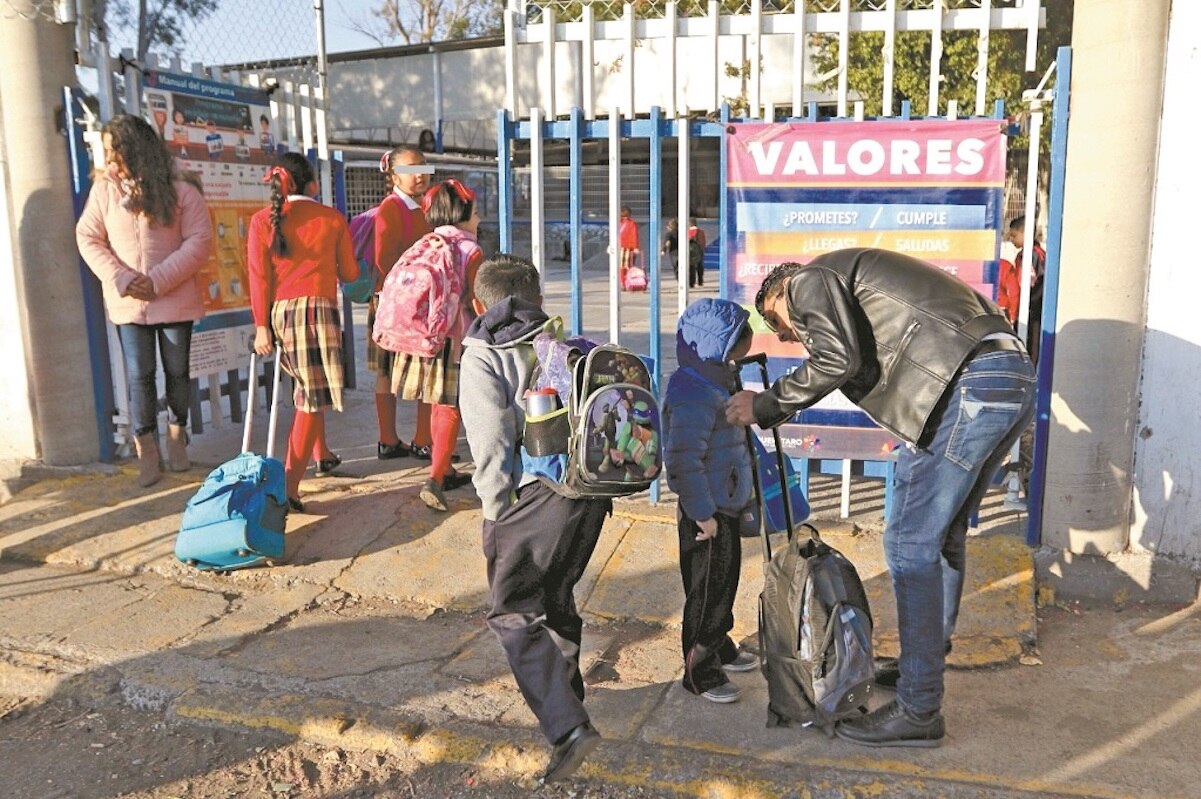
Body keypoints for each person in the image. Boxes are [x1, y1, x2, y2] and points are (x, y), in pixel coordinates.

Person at [725, 248, 1036, 748]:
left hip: (966, 382)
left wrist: (763, 403)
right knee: (941, 535)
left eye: (781, 326)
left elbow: (837, 358)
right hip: (1005, 375)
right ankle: (924, 660)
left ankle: (919, 708)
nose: (789, 338)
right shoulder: (845, 280)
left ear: (779, 295)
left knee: (909, 546)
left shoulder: (809, 280)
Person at [459, 255, 611, 784]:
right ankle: (571, 701)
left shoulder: (482, 354)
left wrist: (497, 510)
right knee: (557, 599)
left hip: (531, 500)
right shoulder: (562, 341)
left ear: (481, 303)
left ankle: (568, 727)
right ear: (537, 297)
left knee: (513, 613)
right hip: (588, 494)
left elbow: (491, 441)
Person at [76, 114, 212, 488]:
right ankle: (147, 448)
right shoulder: (103, 191)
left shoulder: (181, 189)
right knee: (140, 376)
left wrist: (158, 281)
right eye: (105, 152)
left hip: (174, 299)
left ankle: (176, 436)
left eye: (115, 151)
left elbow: (199, 241)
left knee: (177, 371)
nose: (110, 160)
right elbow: (88, 237)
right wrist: (122, 278)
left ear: (138, 150)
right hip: (128, 303)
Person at [247, 152, 359, 513]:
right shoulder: (331, 218)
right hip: (318, 312)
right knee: (312, 396)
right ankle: (290, 487)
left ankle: (321, 454)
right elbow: (352, 275)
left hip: (280, 315)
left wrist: (262, 326)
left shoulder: (261, 221)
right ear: (311, 184)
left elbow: (258, 277)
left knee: (307, 386)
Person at [663, 298, 759, 704]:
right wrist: (702, 514)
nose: (744, 352)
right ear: (712, 346)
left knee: (724, 581)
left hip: (725, 504)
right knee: (705, 591)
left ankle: (718, 642)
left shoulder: (718, 379)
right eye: (738, 343)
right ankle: (699, 668)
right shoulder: (692, 392)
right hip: (706, 512)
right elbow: (683, 461)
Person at [392, 179, 481, 511]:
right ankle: (434, 479)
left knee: (435, 403)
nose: (480, 217)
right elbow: (477, 300)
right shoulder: (471, 249)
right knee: (450, 407)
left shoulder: (427, 242)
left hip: (426, 334)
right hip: (456, 339)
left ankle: (444, 467)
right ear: (463, 213)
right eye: (477, 211)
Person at [372, 145, 434, 461]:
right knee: (389, 371)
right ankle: (389, 439)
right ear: (395, 175)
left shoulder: (423, 208)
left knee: (424, 370)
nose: (420, 174)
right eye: (411, 170)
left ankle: (421, 437)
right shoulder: (391, 209)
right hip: (396, 305)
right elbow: (383, 259)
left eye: (423, 166)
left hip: (416, 303)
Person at [1008, 215, 1046, 364]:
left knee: (1033, 345)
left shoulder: (1035, 255)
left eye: (1014, 236)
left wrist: (1031, 302)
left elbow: (1040, 281)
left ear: (1026, 234)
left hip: (1034, 308)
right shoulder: (1022, 255)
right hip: (1023, 307)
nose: (1011, 240)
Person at [618, 206, 639, 289]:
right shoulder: (631, 223)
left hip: (621, 247)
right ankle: (627, 282)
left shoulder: (618, 222)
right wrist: (635, 247)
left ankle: (623, 282)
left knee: (621, 267)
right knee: (628, 266)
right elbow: (634, 236)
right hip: (628, 248)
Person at [686, 218, 707, 288]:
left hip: (691, 252)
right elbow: (703, 242)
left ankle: (692, 283)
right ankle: (700, 281)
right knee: (700, 266)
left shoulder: (688, 232)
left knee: (691, 267)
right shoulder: (701, 231)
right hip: (700, 251)